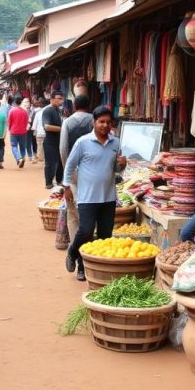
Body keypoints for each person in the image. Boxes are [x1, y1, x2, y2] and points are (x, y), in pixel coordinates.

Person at [63, 106, 125, 281]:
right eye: (101, 122)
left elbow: (116, 169)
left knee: (105, 235)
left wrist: (123, 164)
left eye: (108, 122)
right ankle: (74, 253)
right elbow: (69, 165)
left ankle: (97, 268)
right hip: (87, 197)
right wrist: (67, 187)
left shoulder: (116, 143)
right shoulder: (83, 142)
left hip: (108, 198)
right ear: (94, 123)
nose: (105, 125)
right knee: (86, 231)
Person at [60, 94, 94, 241]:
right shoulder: (95, 120)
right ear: (88, 105)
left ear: (74, 106)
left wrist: (67, 169)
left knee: (73, 211)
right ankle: (89, 244)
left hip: (74, 172)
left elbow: (63, 148)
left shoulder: (68, 122)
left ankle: (75, 244)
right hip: (93, 171)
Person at [42, 91, 66, 188]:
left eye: (62, 98)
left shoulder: (59, 111)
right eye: (59, 98)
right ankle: (48, 183)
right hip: (50, 142)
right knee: (50, 163)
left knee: (60, 162)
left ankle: (59, 181)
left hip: (59, 141)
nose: (61, 100)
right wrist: (63, 129)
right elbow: (47, 127)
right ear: (52, 99)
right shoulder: (48, 110)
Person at [7, 97, 31, 169]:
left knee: (14, 146)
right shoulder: (25, 112)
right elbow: (26, 122)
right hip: (23, 132)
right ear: (21, 102)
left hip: (14, 131)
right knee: (22, 147)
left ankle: (18, 158)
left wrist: (10, 129)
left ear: (14, 102)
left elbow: (9, 121)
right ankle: (22, 158)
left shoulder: (11, 111)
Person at [31, 98, 47, 164]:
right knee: (46, 146)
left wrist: (33, 130)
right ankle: (45, 159)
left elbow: (34, 125)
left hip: (39, 133)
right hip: (47, 133)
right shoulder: (48, 111)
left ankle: (41, 159)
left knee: (40, 146)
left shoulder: (37, 113)